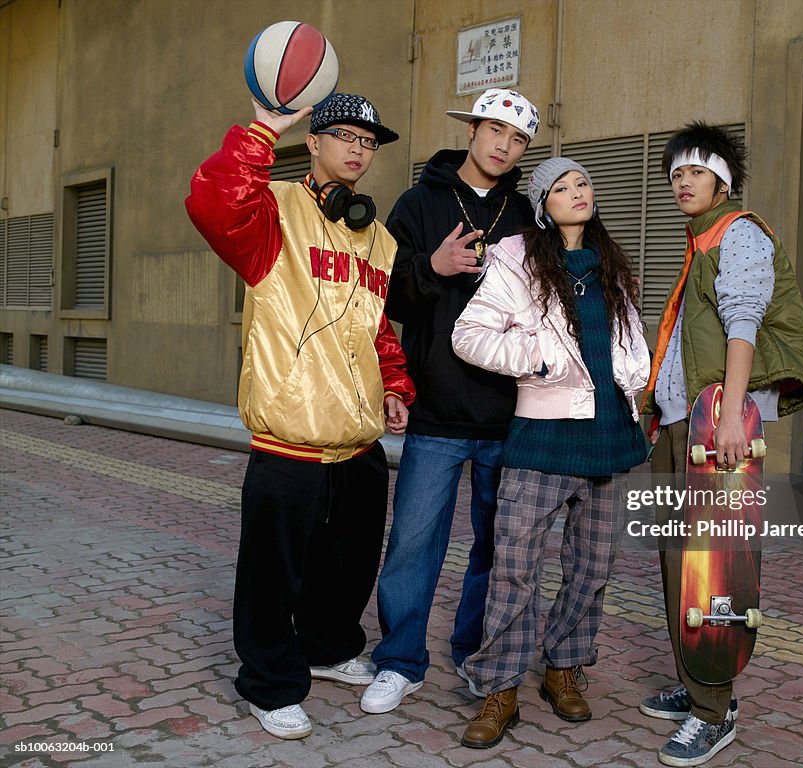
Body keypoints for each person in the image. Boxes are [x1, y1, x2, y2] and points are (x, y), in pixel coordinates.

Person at [184, 92, 415, 740]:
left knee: (348, 565)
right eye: (344, 136)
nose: (357, 150)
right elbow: (211, 201)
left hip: (358, 442)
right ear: (312, 142)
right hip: (291, 440)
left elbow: (375, 329)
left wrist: (394, 385)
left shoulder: (379, 237)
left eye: (368, 142)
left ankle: (330, 647)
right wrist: (262, 129)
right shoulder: (272, 212)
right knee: (272, 574)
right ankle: (269, 682)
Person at [451, 158, 651, 748]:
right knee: (515, 569)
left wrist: (639, 390)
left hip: (610, 434)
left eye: (583, 182)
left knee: (592, 568)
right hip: (540, 436)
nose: (576, 193)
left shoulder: (613, 266)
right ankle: (501, 687)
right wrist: (538, 359)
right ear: (543, 204)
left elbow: (628, 343)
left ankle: (564, 666)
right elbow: (470, 335)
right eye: (561, 188)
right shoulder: (517, 260)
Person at [638, 122, 803, 766]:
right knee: (678, 562)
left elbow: (743, 323)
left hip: (716, 424)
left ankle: (716, 708)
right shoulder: (700, 241)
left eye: (694, 170)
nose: (682, 182)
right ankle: (696, 685)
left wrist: (736, 415)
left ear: (723, 178)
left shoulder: (738, 234)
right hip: (685, 423)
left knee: (716, 566)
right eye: (674, 174)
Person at [361, 89, 541, 714]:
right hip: (436, 405)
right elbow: (378, 294)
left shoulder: (526, 214)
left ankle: (475, 655)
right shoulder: (418, 202)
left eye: (517, 139)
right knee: (413, 541)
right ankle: (400, 661)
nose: (503, 145)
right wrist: (432, 265)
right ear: (472, 130)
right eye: (494, 130)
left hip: (508, 411)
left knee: (498, 545)